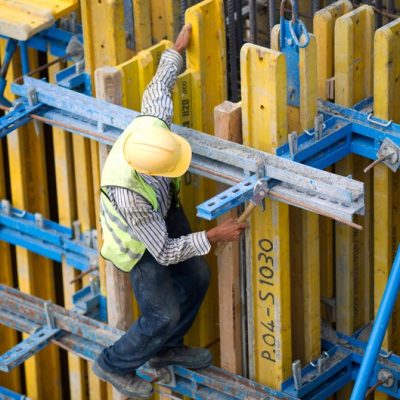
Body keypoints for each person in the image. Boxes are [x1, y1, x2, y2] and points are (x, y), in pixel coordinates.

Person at [92, 24, 247, 399]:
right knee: (162, 314)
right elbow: (161, 251)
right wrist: (213, 236)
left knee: (196, 277)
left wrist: (177, 50)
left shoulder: (153, 125)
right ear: (149, 170)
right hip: (138, 241)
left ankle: (164, 350)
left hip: (164, 209)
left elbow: (159, 84)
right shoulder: (131, 197)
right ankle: (114, 364)